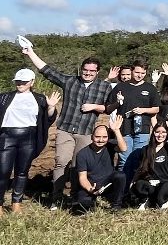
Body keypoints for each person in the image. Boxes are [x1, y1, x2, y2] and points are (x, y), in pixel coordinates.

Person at [21, 47, 113, 207]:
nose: (88, 73)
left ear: (97, 72)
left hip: (86, 132)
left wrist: (94, 107)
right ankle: (56, 198)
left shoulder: (104, 87)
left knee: (79, 165)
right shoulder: (70, 81)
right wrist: (31, 53)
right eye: (85, 70)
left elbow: (109, 107)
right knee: (61, 162)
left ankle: (76, 197)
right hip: (65, 129)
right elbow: (47, 71)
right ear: (81, 69)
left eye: (92, 71)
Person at [0, 68, 59, 213]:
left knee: (22, 171)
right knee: (3, 171)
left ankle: (16, 203)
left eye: (24, 82)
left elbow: (48, 119)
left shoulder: (40, 99)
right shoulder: (4, 97)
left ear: (32, 82)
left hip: (29, 137)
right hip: (7, 136)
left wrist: (51, 107)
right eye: (18, 81)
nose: (20, 84)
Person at [105, 60, 161, 181]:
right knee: (124, 159)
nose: (139, 75)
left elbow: (156, 108)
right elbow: (108, 109)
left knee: (139, 159)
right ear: (131, 71)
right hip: (124, 128)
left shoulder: (150, 88)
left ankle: (134, 186)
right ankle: (122, 186)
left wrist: (143, 110)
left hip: (142, 129)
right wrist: (117, 103)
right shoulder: (120, 87)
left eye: (143, 73)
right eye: (137, 72)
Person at [73, 116, 128, 213]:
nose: (101, 140)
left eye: (104, 137)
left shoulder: (110, 146)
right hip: (91, 185)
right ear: (92, 137)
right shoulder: (82, 154)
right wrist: (90, 189)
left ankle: (116, 206)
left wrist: (116, 130)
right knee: (81, 208)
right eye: (97, 137)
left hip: (108, 184)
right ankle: (91, 201)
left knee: (120, 175)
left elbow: (123, 148)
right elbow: (82, 178)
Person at [130, 116, 168, 210]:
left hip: (167, 182)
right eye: (157, 132)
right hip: (151, 182)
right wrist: (133, 182)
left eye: (163, 132)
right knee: (139, 185)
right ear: (153, 133)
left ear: (167, 134)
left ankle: (165, 198)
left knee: (160, 200)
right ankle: (148, 199)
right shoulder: (146, 149)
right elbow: (141, 168)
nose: (160, 135)